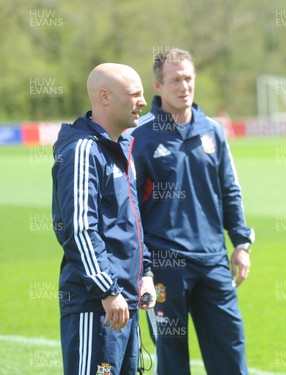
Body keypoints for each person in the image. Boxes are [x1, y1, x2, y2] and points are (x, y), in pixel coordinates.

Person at [129, 48, 254, 375]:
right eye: (175, 80)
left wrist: (241, 243)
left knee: (230, 348)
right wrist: (144, 269)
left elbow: (230, 189)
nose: (184, 86)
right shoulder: (140, 136)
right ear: (157, 85)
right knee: (171, 359)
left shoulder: (212, 131)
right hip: (166, 267)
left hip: (213, 261)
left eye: (188, 78)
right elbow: (130, 209)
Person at [51, 63, 155, 374]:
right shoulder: (83, 150)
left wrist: (145, 272)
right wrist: (107, 290)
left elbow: (131, 222)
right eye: (134, 94)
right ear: (105, 97)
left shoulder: (122, 147)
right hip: (97, 305)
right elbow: (80, 229)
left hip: (124, 302)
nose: (143, 102)